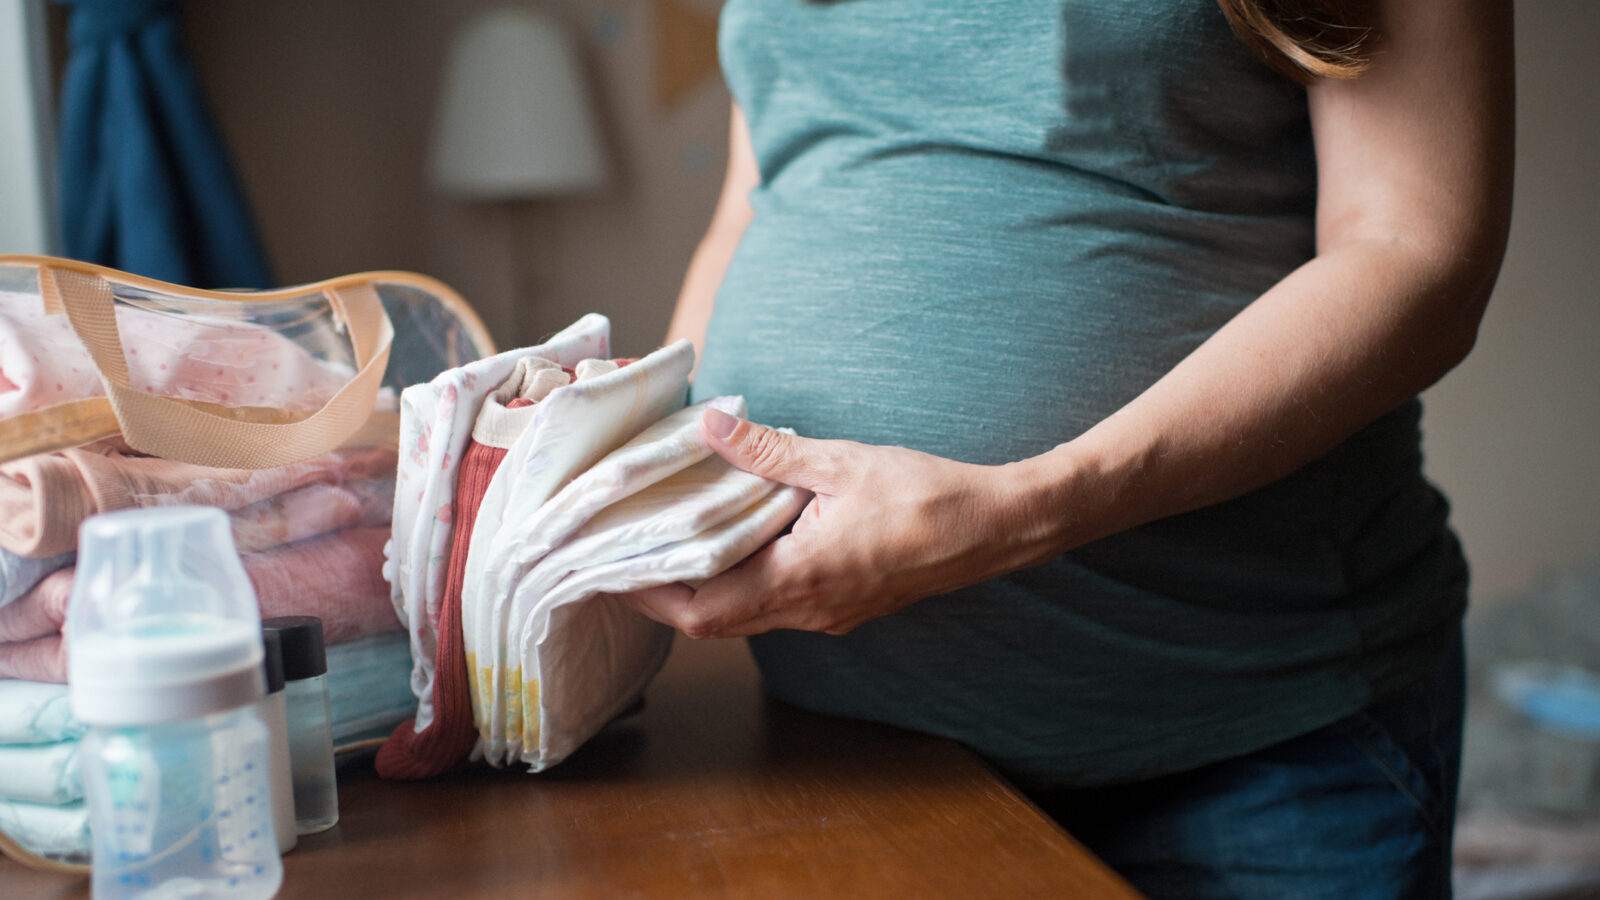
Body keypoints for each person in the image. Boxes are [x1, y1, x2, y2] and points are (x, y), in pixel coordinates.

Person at [622, 1, 1514, 897]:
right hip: (846, 750)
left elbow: (1414, 250)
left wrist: (1028, 507)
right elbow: (761, 193)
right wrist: (656, 461)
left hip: (1253, 736)